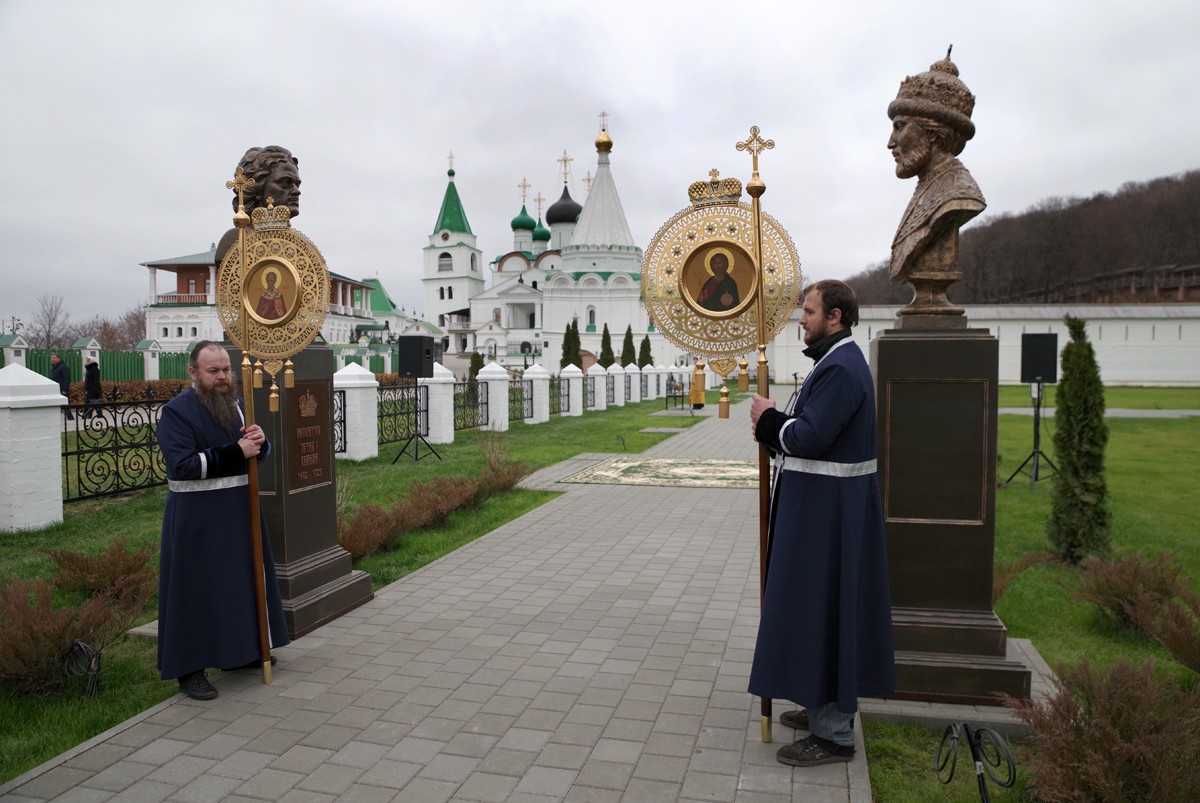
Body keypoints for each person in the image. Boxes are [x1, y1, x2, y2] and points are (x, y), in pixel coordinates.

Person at [748, 280, 895, 767]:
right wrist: (775, 427)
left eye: (809, 312)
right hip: (822, 512)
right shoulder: (834, 362)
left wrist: (769, 420)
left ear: (835, 316)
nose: (801, 320)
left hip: (829, 518)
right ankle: (819, 708)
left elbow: (810, 436)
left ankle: (834, 735)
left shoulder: (841, 368)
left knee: (827, 608)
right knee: (813, 608)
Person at [156, 341, 290, 700]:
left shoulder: (238, 406)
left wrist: (261, 443)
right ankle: (190, 668)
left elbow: (253, 455)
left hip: (238, 510)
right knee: (196, 590)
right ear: (193, 372)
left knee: (238, 584)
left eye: (226, 370)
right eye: (213, 371)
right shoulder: (176, 412)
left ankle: (241, 652)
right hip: (196, 518)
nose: (222, 377)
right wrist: (236, 451)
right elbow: (183, 466)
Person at [887, 49, 986, 284]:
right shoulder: (928, 188)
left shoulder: (957, 194)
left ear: (933, 132)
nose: (890, 142)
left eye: (900, 126)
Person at [215, 145, 302, 267]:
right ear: (257, 188)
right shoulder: (237, 239)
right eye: (284, 183)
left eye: (297, 184)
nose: (297, 191)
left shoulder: (296, 245)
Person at [49, 353, 73, 420]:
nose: (52, 359)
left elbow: (66, 378)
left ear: (58, 358)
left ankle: (70, 418)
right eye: (51, 358)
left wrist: (65, 389)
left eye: (54, 358)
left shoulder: (63, 367)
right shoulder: (54, 367)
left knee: (65, 405)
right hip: (55, 389)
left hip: (62, 389)